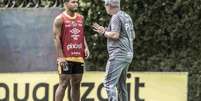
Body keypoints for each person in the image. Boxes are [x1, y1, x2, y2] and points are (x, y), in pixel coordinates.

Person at [92, 0, 135, 101]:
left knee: (108, 83)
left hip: (118, 55)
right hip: (128, 54)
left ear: (109, 5)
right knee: (122, 86)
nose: (105, 7)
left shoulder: (115, 16)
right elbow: (133, 35)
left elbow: (115, 35)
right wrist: (108, 31)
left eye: (105, 5)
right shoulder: (126, 16)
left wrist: (104, 32)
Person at [53, 0, 89, 101]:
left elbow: (82, 34)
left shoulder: (81, 18)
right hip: (66, 57)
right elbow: (56, 38)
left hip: (78, 56)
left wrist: (86, 47)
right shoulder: (59, 19)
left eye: (77, 2)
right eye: (73, 2)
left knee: (76, 84)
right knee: (63, 83)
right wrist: (61, 57)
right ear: (66, 3)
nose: (76, 4)